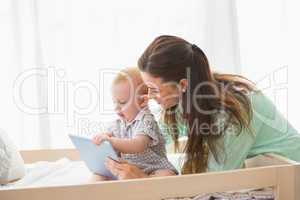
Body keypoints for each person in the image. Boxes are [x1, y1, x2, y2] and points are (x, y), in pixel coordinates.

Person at [104, 35, 300, 178]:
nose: (149, 97)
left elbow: (215, 181)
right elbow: (157, 137)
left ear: (182, 85)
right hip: (267, 169)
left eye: (153, 89)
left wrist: (143, 179)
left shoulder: (231, 111)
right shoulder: (187, 100)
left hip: (291, 173)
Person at [90, 67, 177, 181]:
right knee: (98, 175)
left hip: (153, 169)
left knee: (167, 176)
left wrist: (112, 141)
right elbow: (108, 135)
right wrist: (103, 138)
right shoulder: (118, 123)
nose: (116, 107)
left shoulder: (146, 120)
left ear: (143, 101)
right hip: (127, 169)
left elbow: (138, 145)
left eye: (122, 102)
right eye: (114, 102)